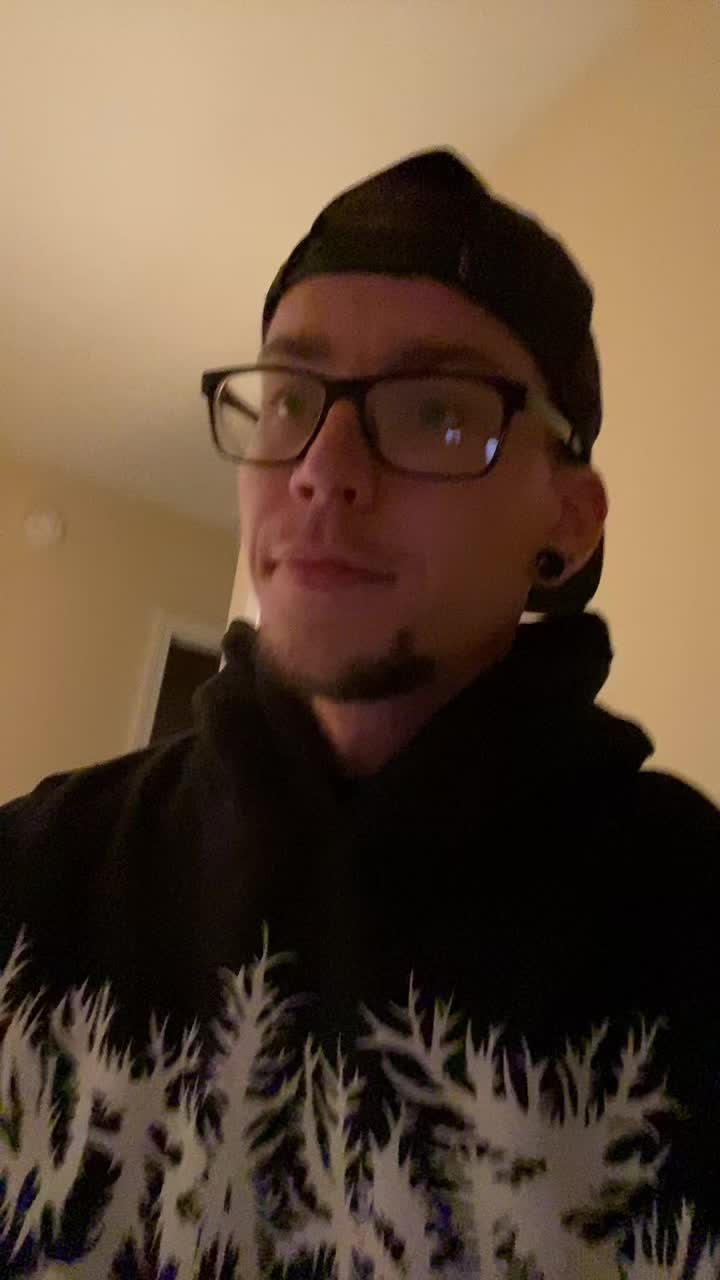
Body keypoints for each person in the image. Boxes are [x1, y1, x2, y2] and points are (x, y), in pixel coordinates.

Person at [1, 149, 718, 1280]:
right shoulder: (33, 877)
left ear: (569, 521)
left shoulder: (692, 932)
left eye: (435, 410)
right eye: (291, 399)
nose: (322, 469)